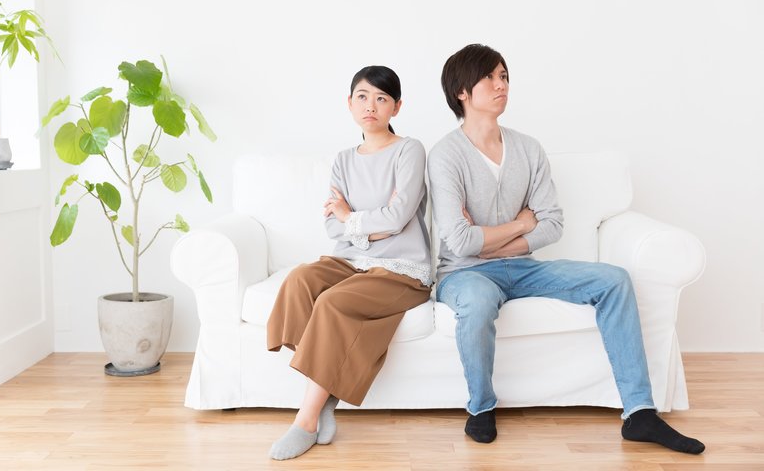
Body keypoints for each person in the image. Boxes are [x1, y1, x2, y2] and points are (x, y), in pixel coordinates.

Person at [427, 43, 705, 454]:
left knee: (614, 280)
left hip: (523, 267)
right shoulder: (445, 155)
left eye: (504, 76)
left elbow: (552, 224)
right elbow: (461, 242)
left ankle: (640, 412)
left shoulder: (528, 149)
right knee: (479, 302)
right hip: (463, 273)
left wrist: (500, 238)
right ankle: (481, 409)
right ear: (461, 92)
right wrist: (522, 222)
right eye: (489, 77)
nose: (500, 84)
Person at [266, 65, 432, 460]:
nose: (370, 105)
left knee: (334, 303)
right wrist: (360, 223)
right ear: (349, 103)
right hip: (351, 261)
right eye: (362, 96)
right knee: (300, 281)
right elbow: (332, 226)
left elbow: (398, 218)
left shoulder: (410, 150)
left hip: (401, 269)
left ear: (397, 107)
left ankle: (306, 419)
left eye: (381, 98)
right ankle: (325, 397)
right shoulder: (343, 159)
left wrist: (350, 216)